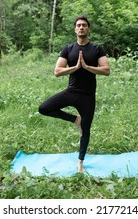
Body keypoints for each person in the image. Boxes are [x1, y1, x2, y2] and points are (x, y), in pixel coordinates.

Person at [39, 15, 110, 172]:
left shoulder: (97, 49)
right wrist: (76, 67)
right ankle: (74, 119)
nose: (81, 27)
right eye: (78, 25)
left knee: (86, 129)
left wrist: (87, 67)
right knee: (44, 108)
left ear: (88, 28)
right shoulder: (69, 49)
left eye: (84, 25)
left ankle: (80, 161)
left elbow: (106, 70)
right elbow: (57, 71)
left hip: (88, 96)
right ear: (75, 29)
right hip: (71, 92)